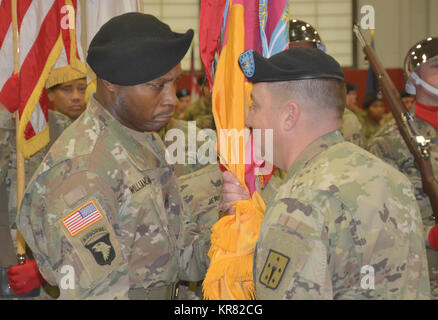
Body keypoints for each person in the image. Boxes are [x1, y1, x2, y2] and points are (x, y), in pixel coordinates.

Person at [16, 13, 214, 300]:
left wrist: (231, 237)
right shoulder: (81, 170)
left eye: (174, 83)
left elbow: (180, 251)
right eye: (158, 86)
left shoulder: (143, 139)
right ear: (111, 83)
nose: (171, 98)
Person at [219, 47, 430, 299]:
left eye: (255, 106)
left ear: (289, 115)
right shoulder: (391, 179)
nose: (249, 119)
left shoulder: (298, 203)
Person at [1, 64, 87, 299]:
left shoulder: (74, 133)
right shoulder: (15, 128)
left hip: (59, 259)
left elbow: (83, 204)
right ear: (47, 94)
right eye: (67, 90)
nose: (77, 96)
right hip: (12, 253)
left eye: (81, 88)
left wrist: (47, 267)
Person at [368, 36, 438, 297]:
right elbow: (376, 222)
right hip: (422, 278)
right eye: (437, 66)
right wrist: (430, 235)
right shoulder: (389, 142)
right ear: (414, 78)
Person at [289, 19, 364, 148]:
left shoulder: (344, 121)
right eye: (292, 55)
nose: (301, 62)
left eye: (309, 55)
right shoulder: (262, 115)